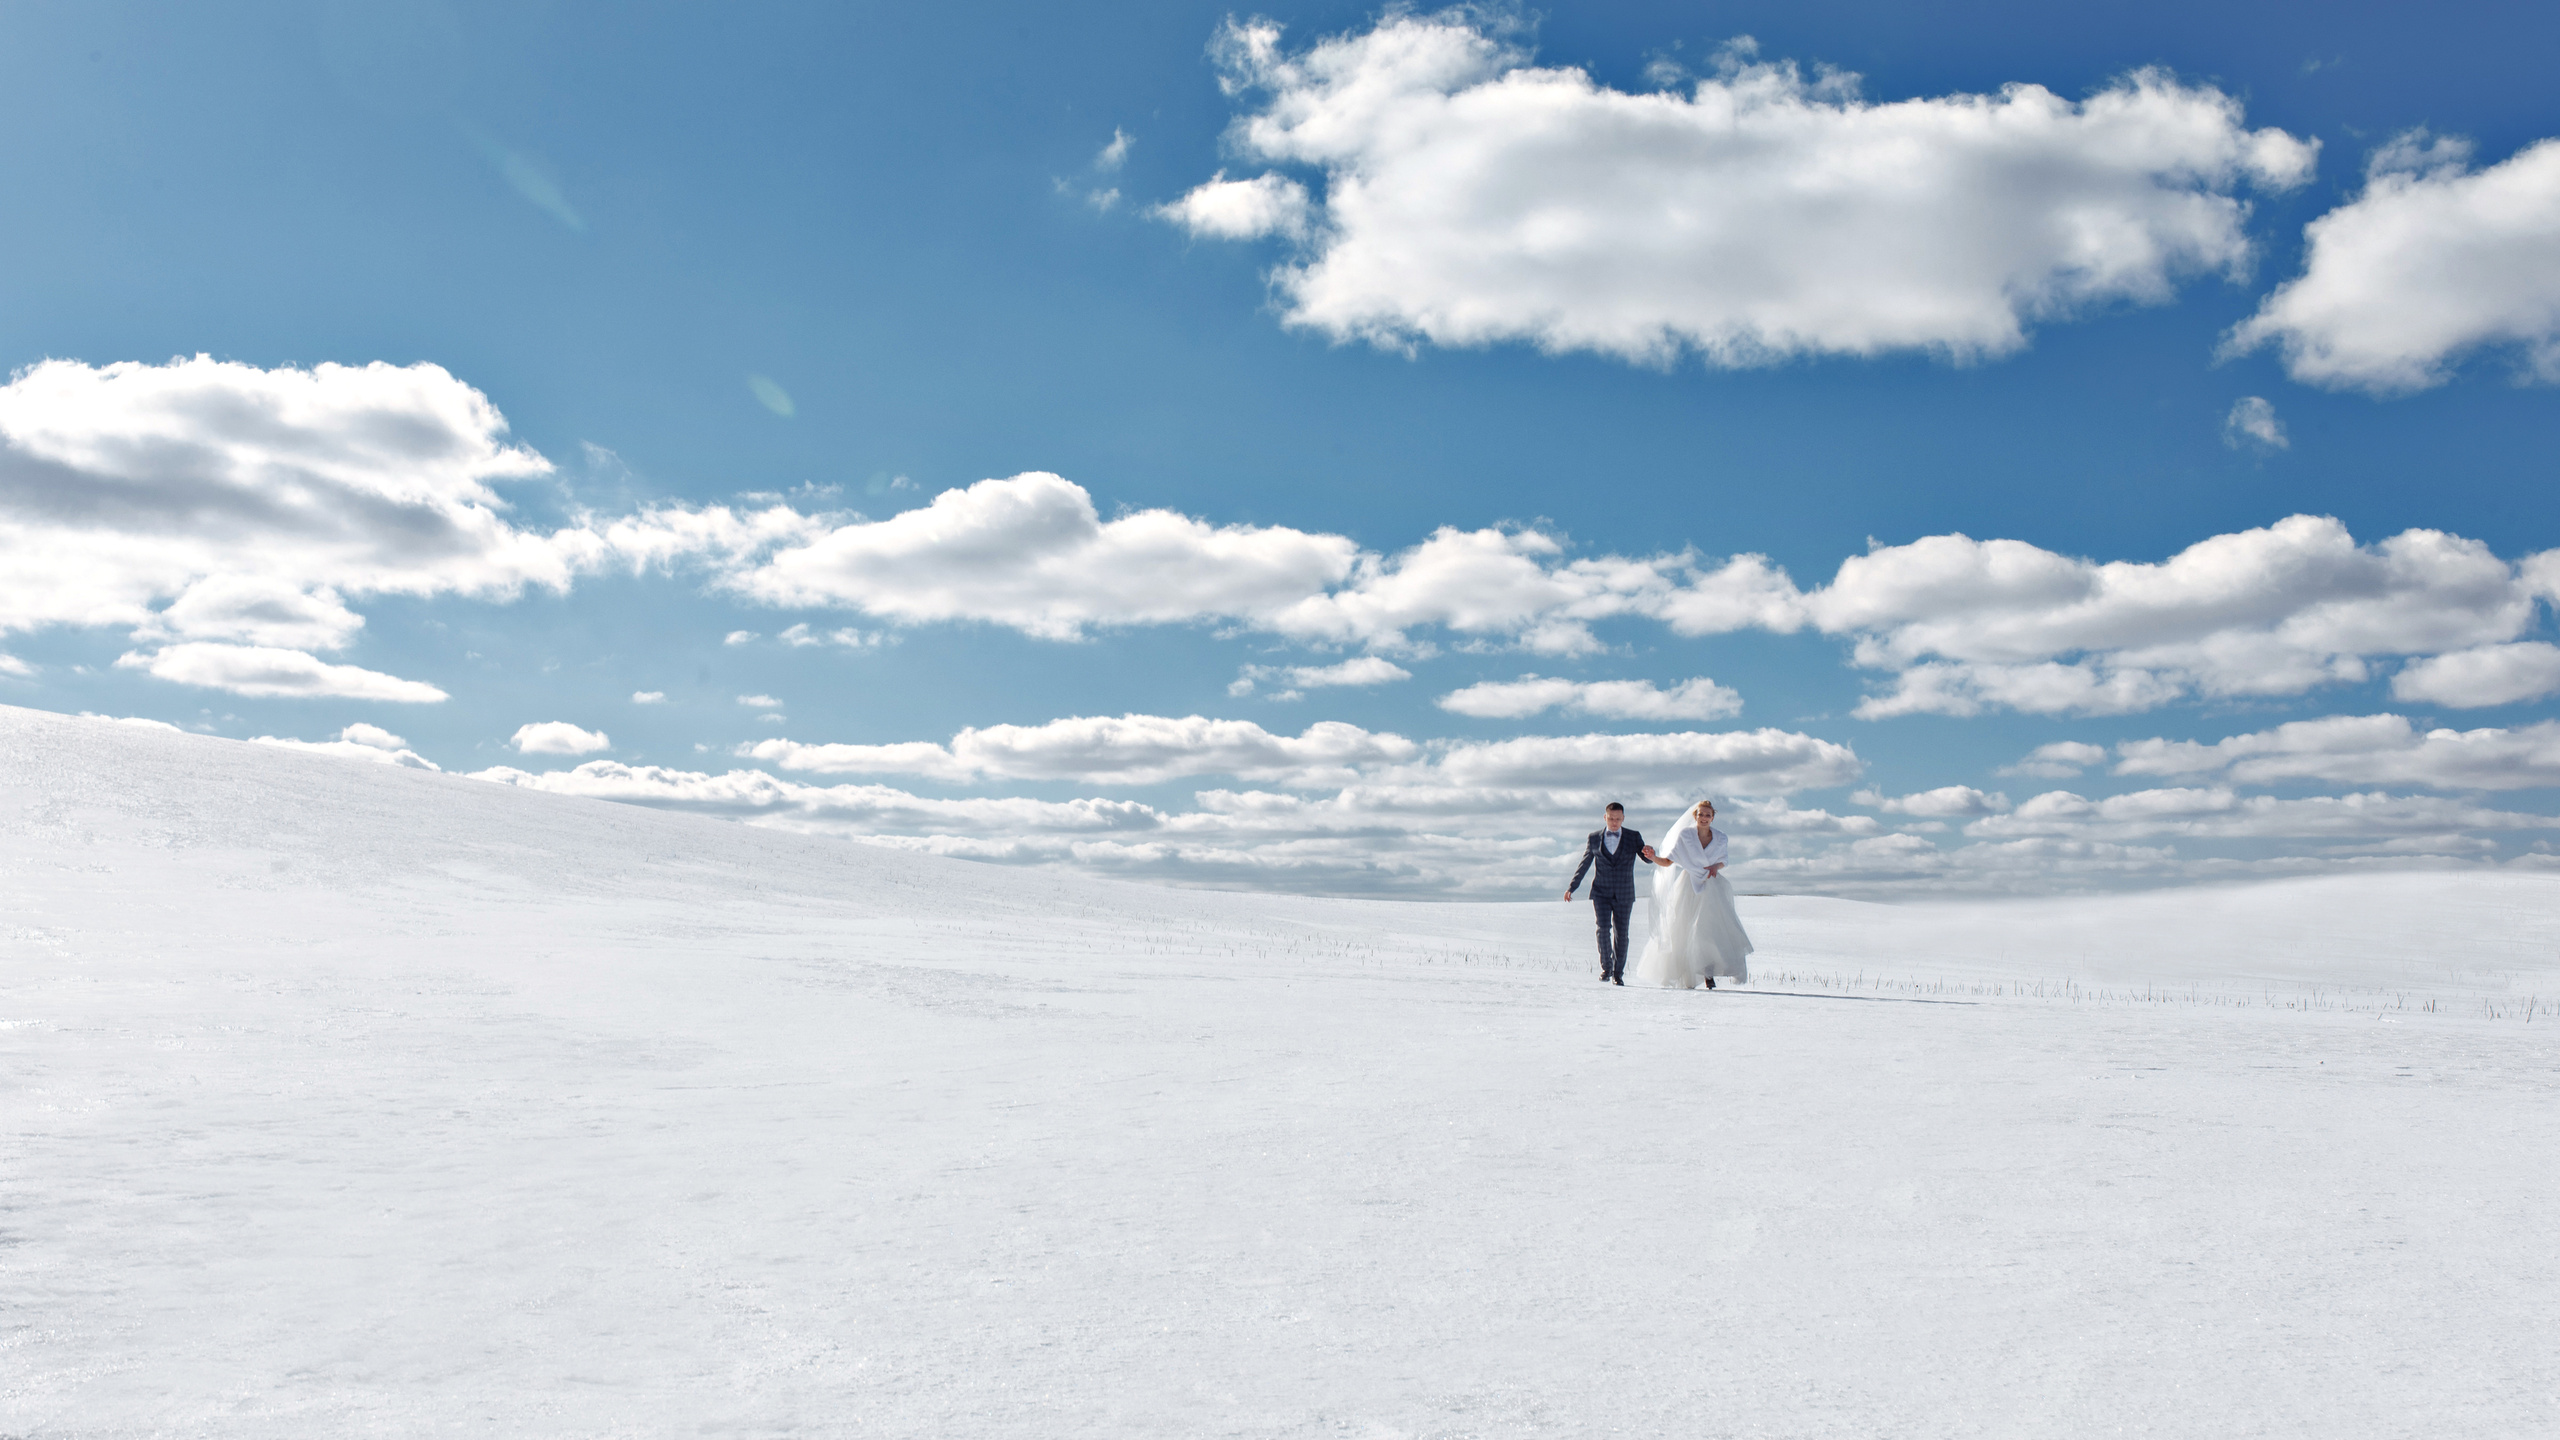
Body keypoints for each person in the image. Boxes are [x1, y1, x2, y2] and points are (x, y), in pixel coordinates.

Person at [1632, 800, 1753, 990]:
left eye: (1707, 815)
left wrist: (1715, 866)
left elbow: (1724, 860)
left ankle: (1709, 972)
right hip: (1688, 886)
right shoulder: (1686, 836)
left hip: (1712, 885)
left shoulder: (1721, 838)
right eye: (1700, 815)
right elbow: (1668, 861)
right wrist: (1653, 857)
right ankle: (1689, 972)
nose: (1704, 818)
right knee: (1685, 929)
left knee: (1711, 930)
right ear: (1695, 816)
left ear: (1713, 817)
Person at [1564, 802, 1651, 985]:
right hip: (1601, 892)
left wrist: (1650, 853)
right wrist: (1572, 887)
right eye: (1611, 818)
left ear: (1623, 819)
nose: (1614, 822)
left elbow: (1646, 858)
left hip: (1624, 893)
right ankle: (1606, 967)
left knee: (1622, 933)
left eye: (1618, 819)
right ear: (1605, 817)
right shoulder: (1594, 837)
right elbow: (1585, 863)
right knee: (1603, 929)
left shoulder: (1633, 836)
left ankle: (1618, 974)